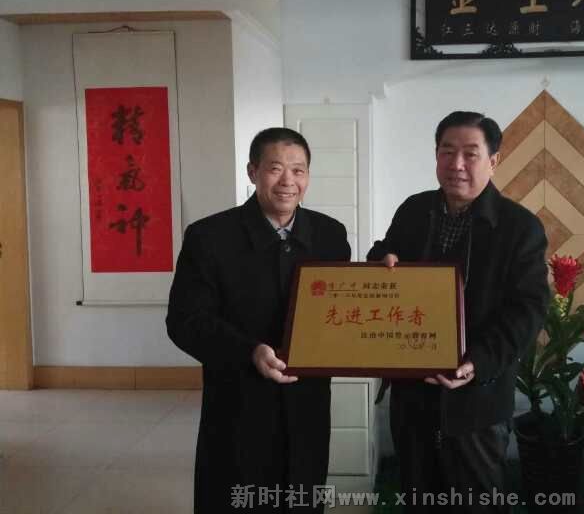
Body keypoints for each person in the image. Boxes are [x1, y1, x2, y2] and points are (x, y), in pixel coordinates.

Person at [367, 111, 549, 513]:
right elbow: (385, 253)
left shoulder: (520, 227)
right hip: (413, 391)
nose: (457, 164)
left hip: (476, 396)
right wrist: (382, 258)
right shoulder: (415, 210)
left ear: (494, 160)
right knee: (418, 493)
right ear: (436, 156)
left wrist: (478, 362)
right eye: (447, 152)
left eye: (470, 153)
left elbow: (528, 309)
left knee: (475, 499)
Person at [167, 128, 350, 514]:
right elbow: (185, 320)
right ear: (252, 172)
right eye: (275, 168)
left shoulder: (330, 235)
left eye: (299, 170)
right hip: (238, 398)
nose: (288, 181)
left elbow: (343, 309)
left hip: (307, 399)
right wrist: (248, 351)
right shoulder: (209, 237)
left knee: (303, 492)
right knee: (237, 493)